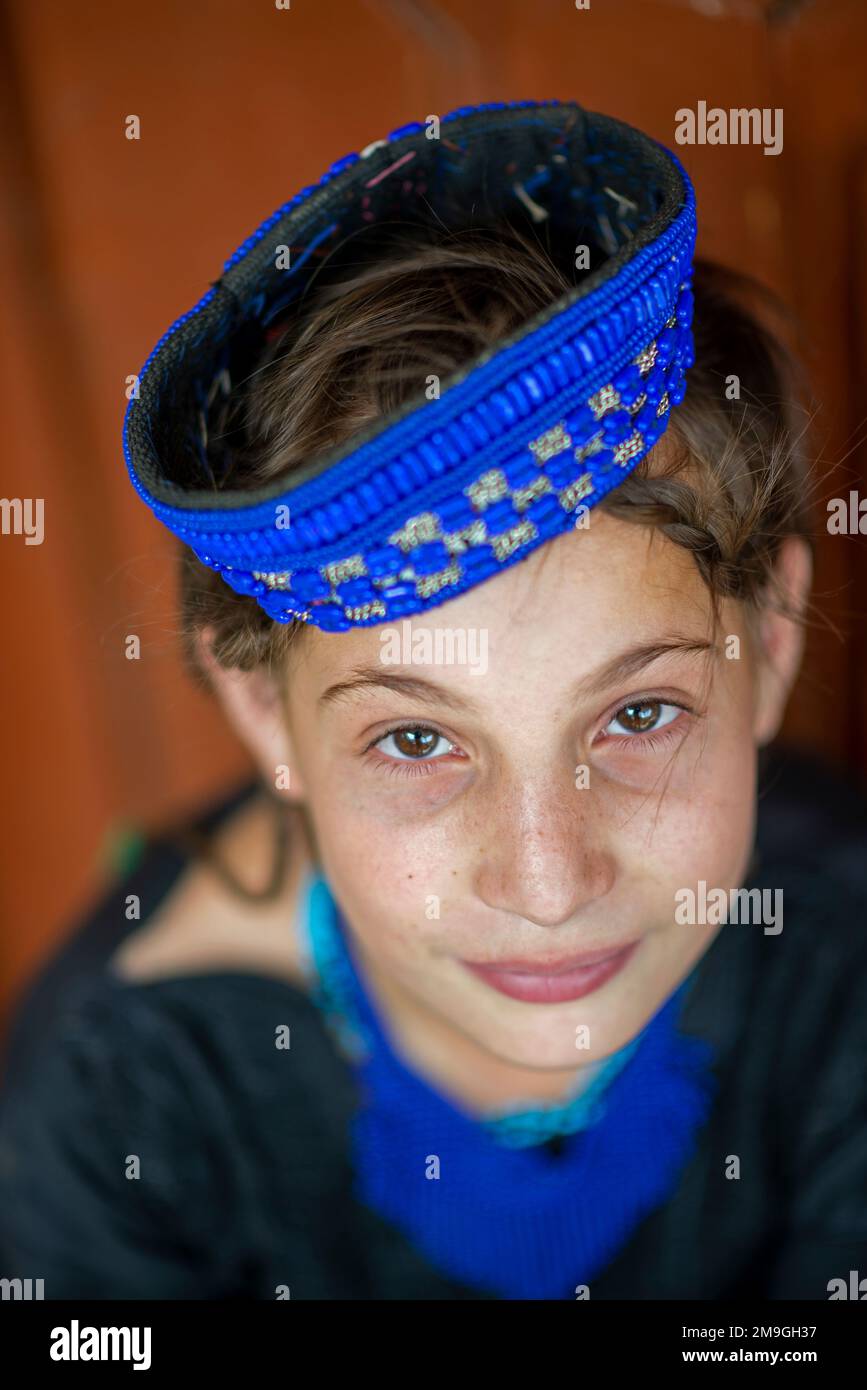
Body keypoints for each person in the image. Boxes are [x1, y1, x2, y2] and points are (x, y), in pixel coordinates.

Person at [1, 99, 866, 1301]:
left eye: (639, 714)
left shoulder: (840, 972)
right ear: (264, 716)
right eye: (416, 738)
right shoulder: (118, 1123)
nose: (552, 884)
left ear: (768, 645)